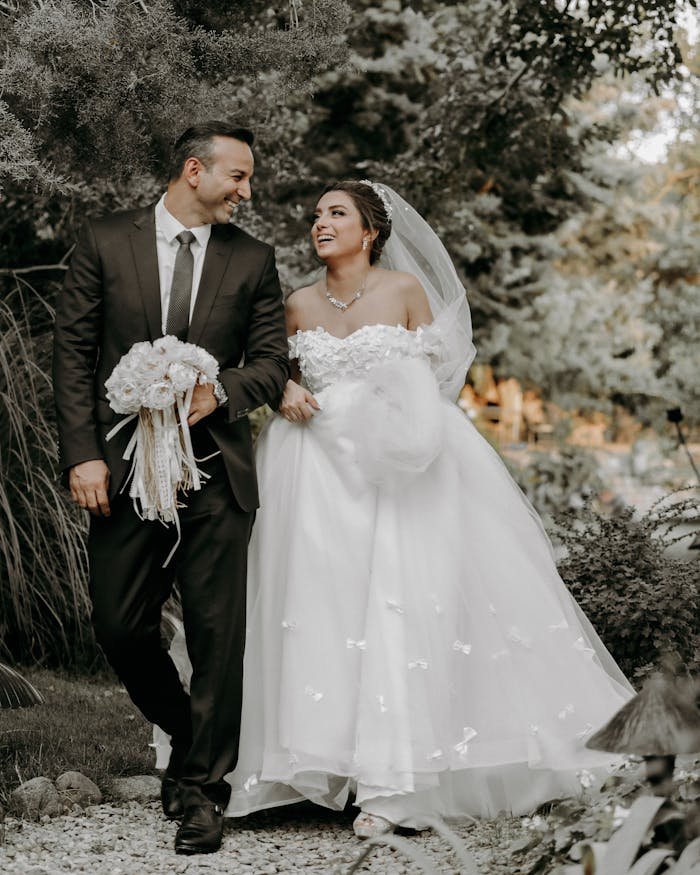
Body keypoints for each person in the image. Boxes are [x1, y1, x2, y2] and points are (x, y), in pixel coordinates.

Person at [157, 180, 633, 839]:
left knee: (397, 607)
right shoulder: (294, 301)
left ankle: (396, 783)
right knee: (316, 606)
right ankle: (298, 767)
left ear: (370, 229)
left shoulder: (406, 292)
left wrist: (403, 417)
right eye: (318, 213)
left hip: (400, 469)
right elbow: (264, 365)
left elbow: (440, 369)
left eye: (337, 213)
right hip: (313, 465)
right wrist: (288, 386)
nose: (320, 222)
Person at [52, 122, 289, 855]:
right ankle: (192, 730)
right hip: (122, 472)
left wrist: (222, 390)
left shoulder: (252, 259)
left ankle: (200, 789)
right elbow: (73, 353)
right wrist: (83, 455)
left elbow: (275, 360)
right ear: (195, 170)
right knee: (119, 623)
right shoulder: (104, 240)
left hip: (216, 470)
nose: (247, 192)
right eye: (238, 177)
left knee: (219, 634)